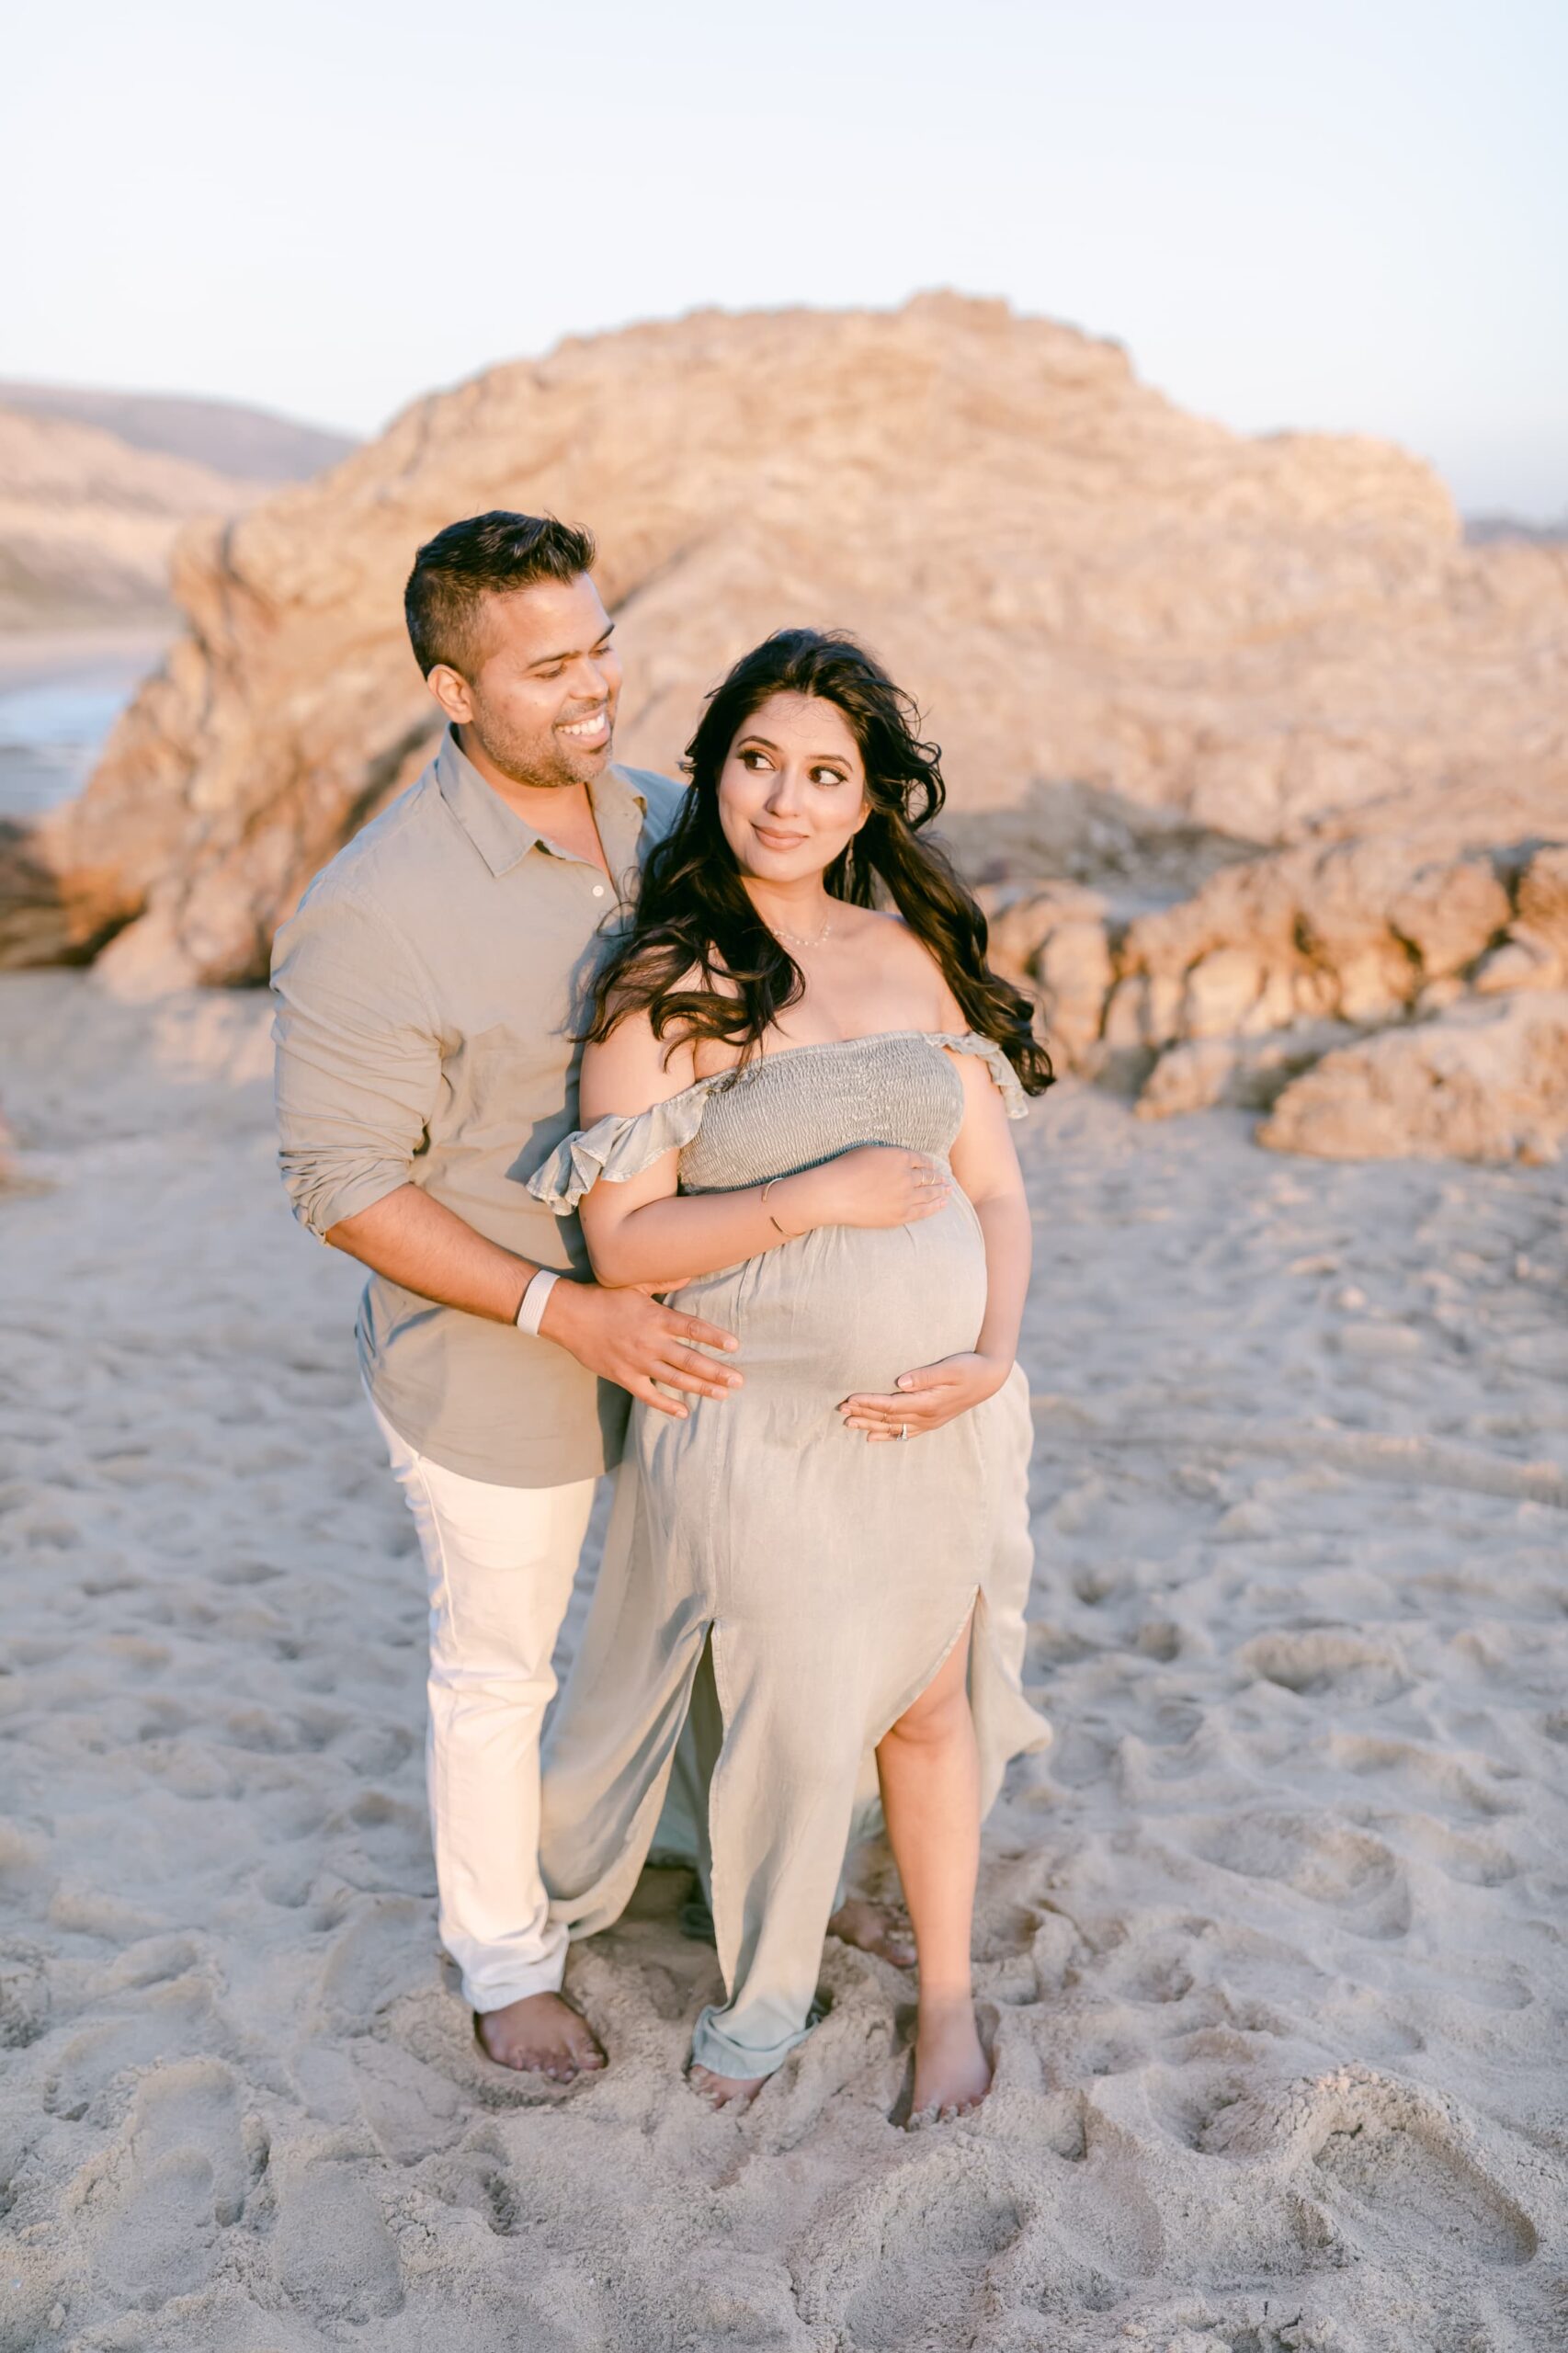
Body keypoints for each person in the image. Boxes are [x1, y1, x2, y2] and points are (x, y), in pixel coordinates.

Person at [270, 512, 917, 2083]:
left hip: (699, 1320)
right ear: (449, 686)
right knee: (502, 1665)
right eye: (549, 666)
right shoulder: (375, 907)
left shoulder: (665, 819)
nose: (596, 687)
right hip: (502, 1362)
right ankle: (505, 1961)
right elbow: (344, 1188)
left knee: (710, 1620)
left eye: (603, 644)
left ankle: (693, 1856)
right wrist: (570, 1316)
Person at [528, 627, 1052, 2120]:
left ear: (870, 800)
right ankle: (759, 2004)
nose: (784, 798)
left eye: (824, 773)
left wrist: (989, 1357)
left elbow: (996, 1193)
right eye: (757, 760)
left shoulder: (908, 957)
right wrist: (803, 1202)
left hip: (936, 1419)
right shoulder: (664, 987)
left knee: (927, 1709)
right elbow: (622, 1242)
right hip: (758, 1426)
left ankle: (945, 2002)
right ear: (716, 775)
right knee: (791, 1723)